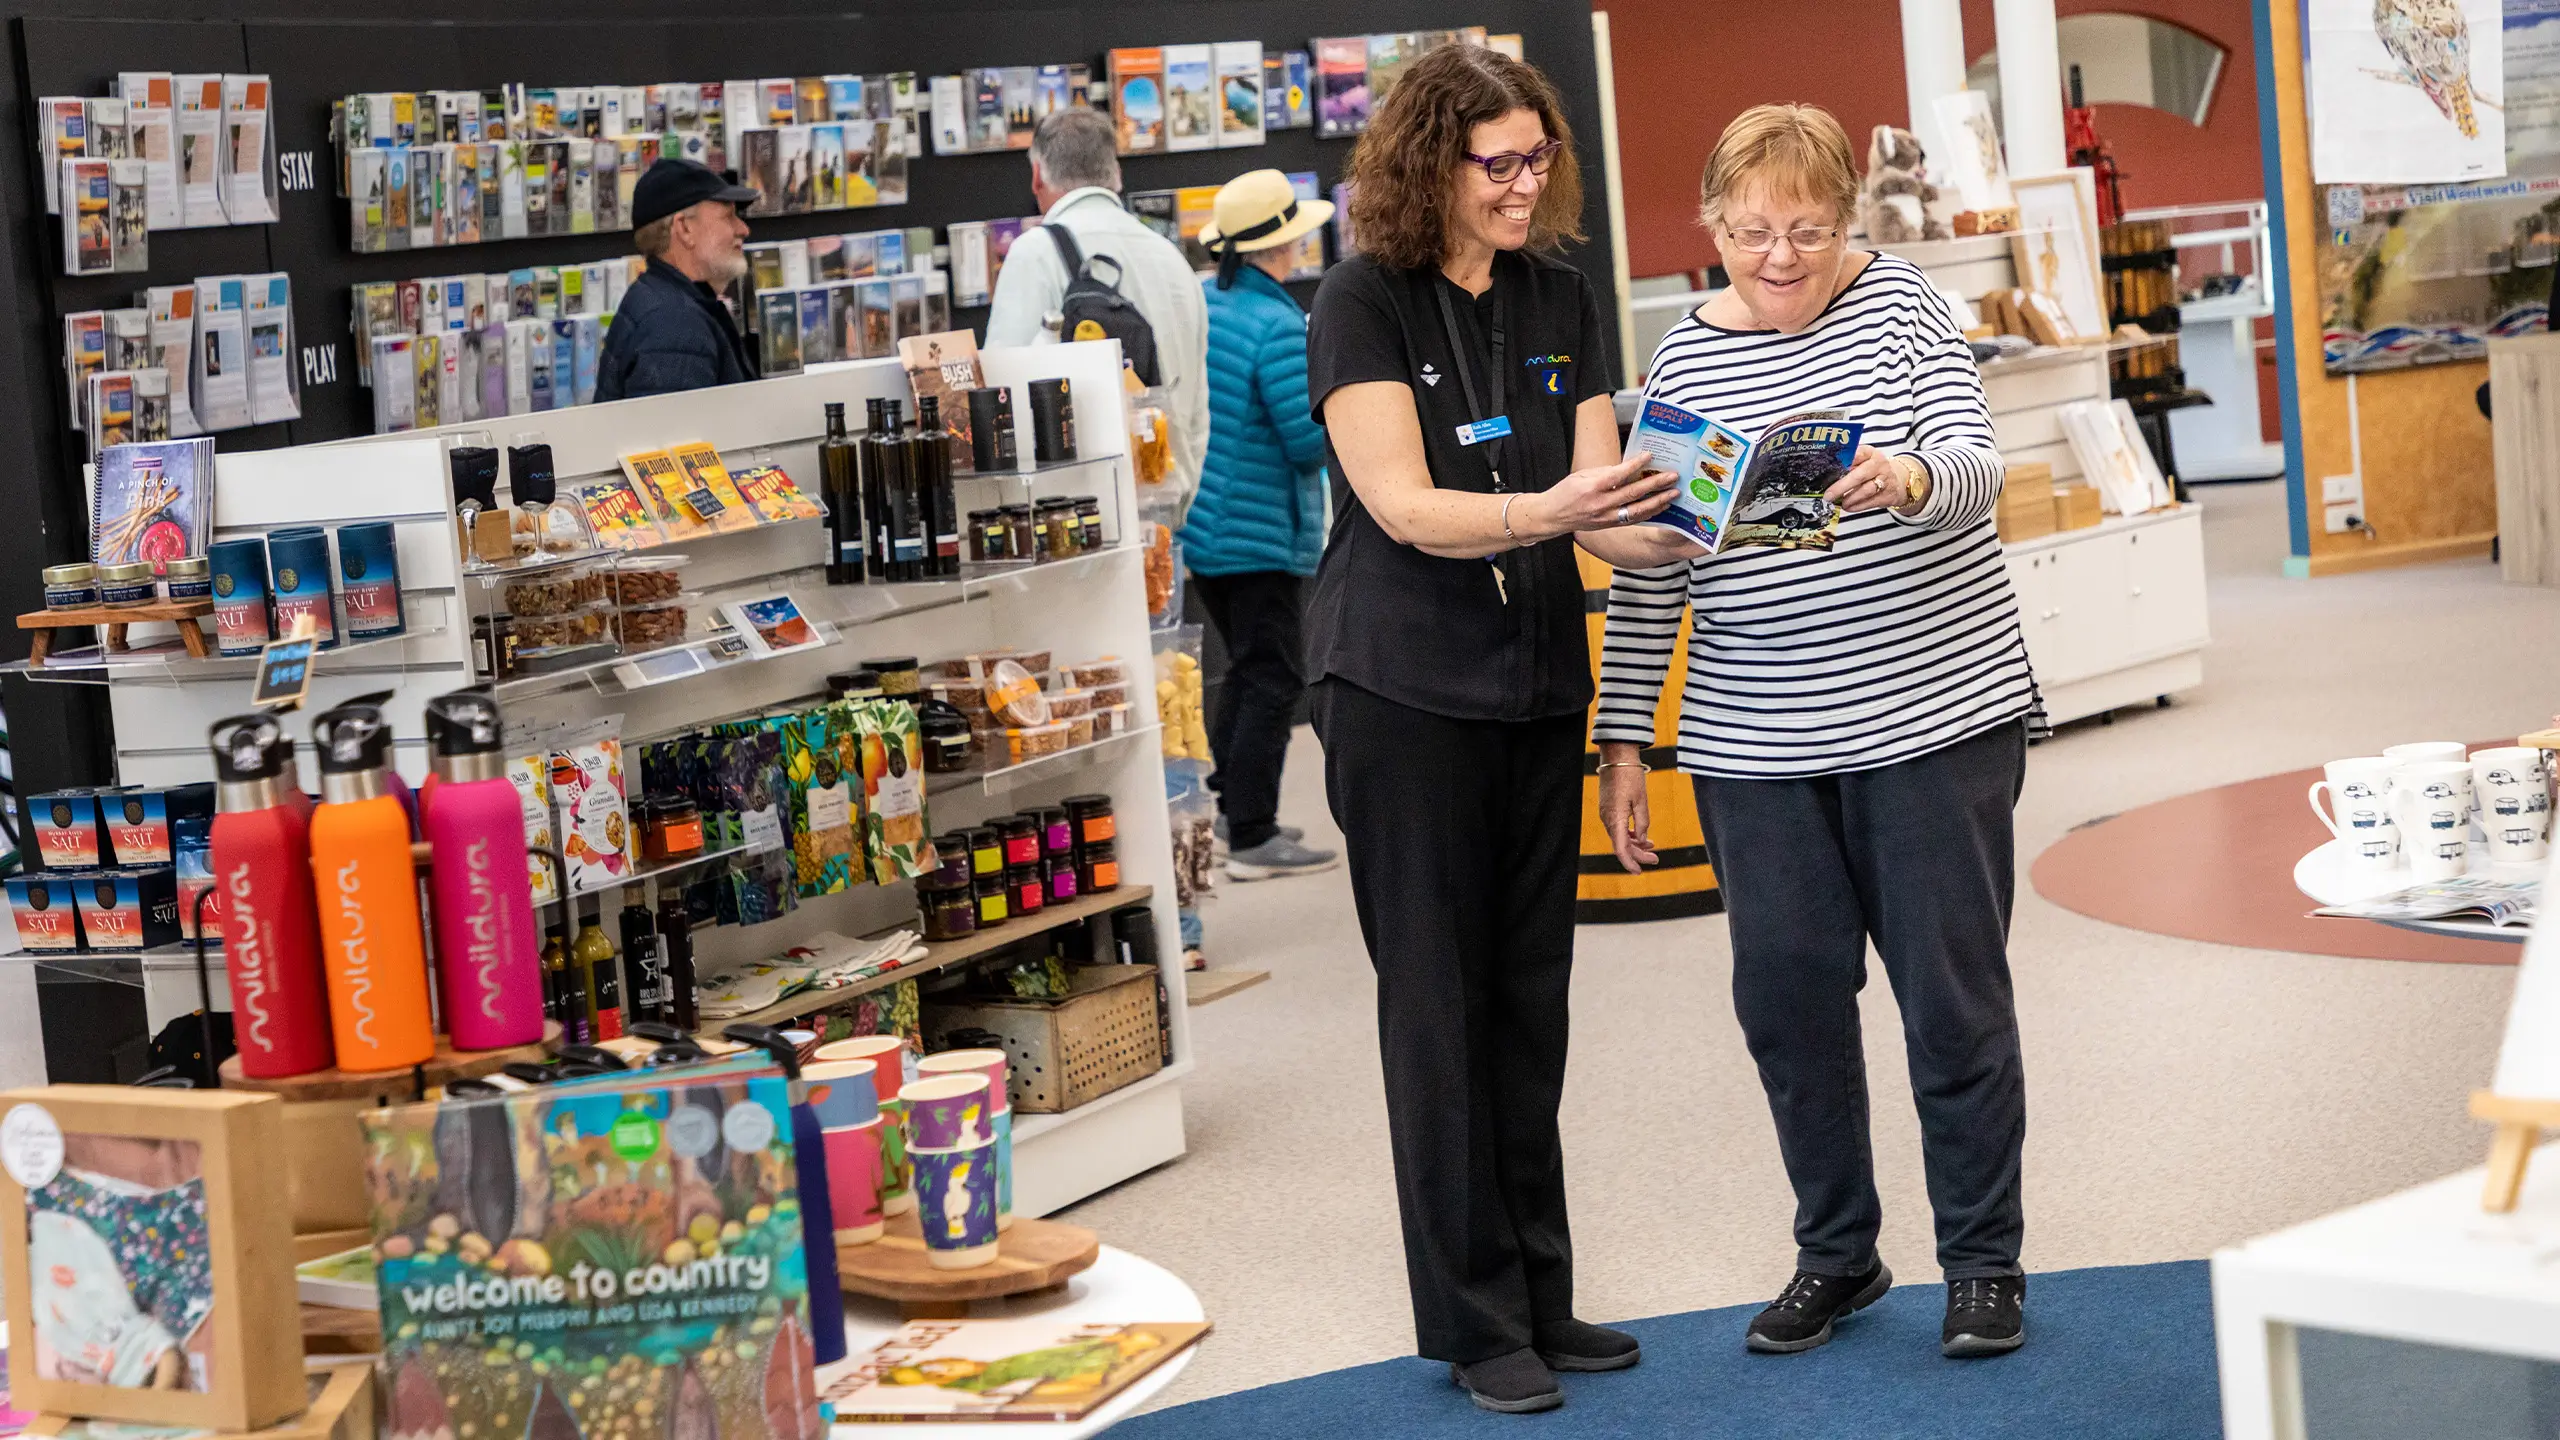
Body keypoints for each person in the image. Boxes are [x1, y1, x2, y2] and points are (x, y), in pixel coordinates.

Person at [1584, 103, 2038, 1361]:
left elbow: (1975, 464)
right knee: (1787, 1007)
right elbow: (1654, 565)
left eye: (1807, 232)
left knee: (1950, 1007)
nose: (1779, 257)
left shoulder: (1904, 308)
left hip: (1931, 720)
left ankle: (1981, 1263)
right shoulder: (1678, 361)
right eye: (1749, 233)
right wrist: (1625, 743)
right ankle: (1836, 1254)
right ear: (1709, 227)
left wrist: (1906, 474)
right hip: (1753, 749)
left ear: (1846, 222)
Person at [1305, 44, 1676, 1415]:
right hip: (1401, 694)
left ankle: (1541, 1296)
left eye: (1539, 160)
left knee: (1531, 1003)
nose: (1528, 185)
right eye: (1499, 164)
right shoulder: (1360, 302)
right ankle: (1470, 1323)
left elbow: (1601, 497)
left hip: (1534, 686)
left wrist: (1705, 520)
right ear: (1430, 166)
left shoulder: (1562, 295)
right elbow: (1402, 504)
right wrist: (1554, 517)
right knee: (1438, 1011)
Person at [1183, 169, 1339, 881]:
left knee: (1245, 671)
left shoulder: (1211, 305)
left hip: (1208, 527)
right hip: (1260, 533)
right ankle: (1251, 831)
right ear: (1282, 244)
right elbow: (1305, 442)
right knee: (1275, 675)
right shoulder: (1277, 324)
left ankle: (1227, 808)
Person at [986, 108, 1209, 508]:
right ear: (1116, 174)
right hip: (1163, 506)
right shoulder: (1172, 258)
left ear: (1038, 175)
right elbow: (1196, 411)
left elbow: (1001, 400)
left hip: (1074, 521)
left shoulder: (1034, 255)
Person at [594, 158, 760, 403]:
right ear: (684, 228)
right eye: (728, 216)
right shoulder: (674, 324)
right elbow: (678, 436)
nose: (743, 229)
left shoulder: (667, 301)